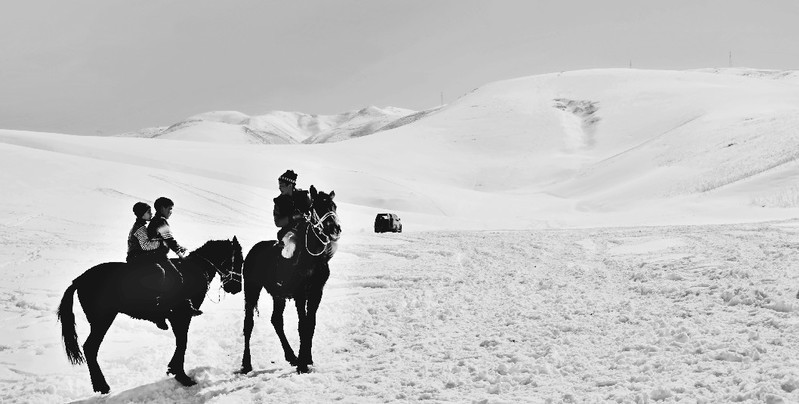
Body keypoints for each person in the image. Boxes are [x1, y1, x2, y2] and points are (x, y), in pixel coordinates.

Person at [148, 197, 203, 316]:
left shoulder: (156, 220)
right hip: (158, 257)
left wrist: (178, 247)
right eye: (169, 209)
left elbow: (166, 239)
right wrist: (179, 253)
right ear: (162, 208)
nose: (170, 212)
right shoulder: (161, 221)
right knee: (177, 278)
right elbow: (169, 239)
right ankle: (170, 307)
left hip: (155, 255)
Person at [126, 202, 169, 330]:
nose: (151, 214)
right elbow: (146, 245)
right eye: (148, 212)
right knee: (158, 271)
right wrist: (160, 243)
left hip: (138, 256)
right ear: (141, 214)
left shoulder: (140, 226)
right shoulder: (140, 228)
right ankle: (154, 299)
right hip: (137, 258)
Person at [273, 170, 312, 245]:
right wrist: (292, 217)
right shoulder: (279, 202)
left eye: (282, 186)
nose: (279, 188)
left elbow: (312, 211)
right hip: (288, 232)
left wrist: (308, 215)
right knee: (290, 246)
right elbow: (278, 222)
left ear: (290, 185)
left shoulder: (304, 196)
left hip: (307, 230)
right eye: (279, 185)